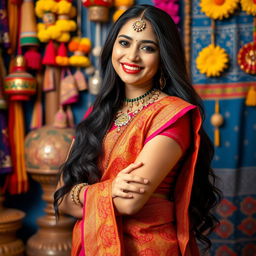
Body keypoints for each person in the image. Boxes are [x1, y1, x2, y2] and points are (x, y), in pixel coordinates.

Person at [54, 4, 221, 256]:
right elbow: (61, 197)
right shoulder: (98, 114)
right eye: (124, 43)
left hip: (147, 247)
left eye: (147, 48)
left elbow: (129, 203)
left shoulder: (172, 116)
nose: (131, 56)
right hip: (92, 244)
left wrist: (80, 194)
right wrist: (109, 190)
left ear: (164, 56)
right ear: (112, 47)